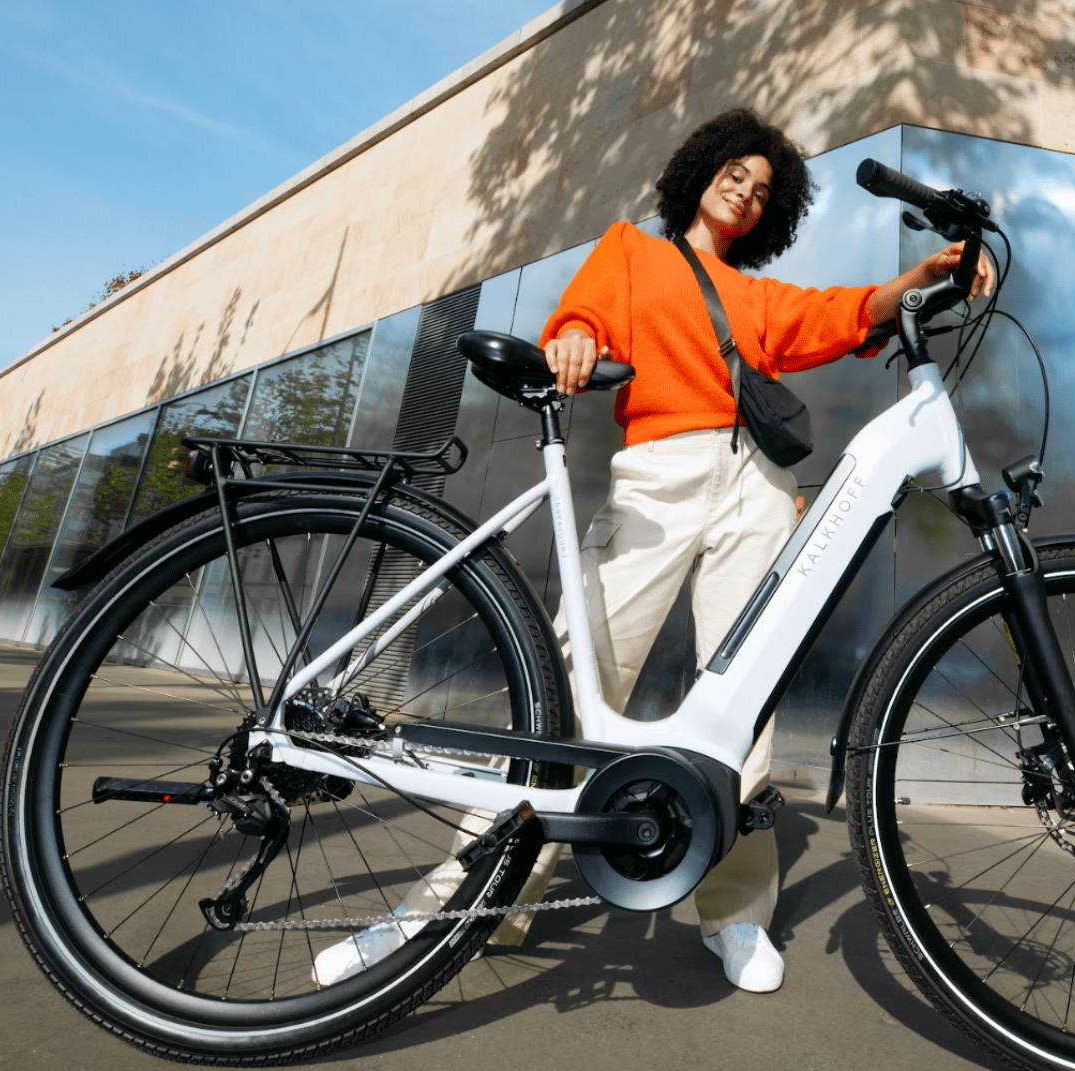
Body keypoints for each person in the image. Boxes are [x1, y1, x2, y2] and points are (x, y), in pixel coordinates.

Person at [314, 108, 991, 995]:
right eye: (735, 175)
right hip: (659, 475)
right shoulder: (632, 251)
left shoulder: (755, 295)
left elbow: (838, 314)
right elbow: (584, 316)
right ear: (702, 173)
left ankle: (736, 914)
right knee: (570, 684)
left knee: (743, 706)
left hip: (757, 487)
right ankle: (466, 904)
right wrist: (574, 337)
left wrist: (924, 274)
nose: (744, 194)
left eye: (762, 191)